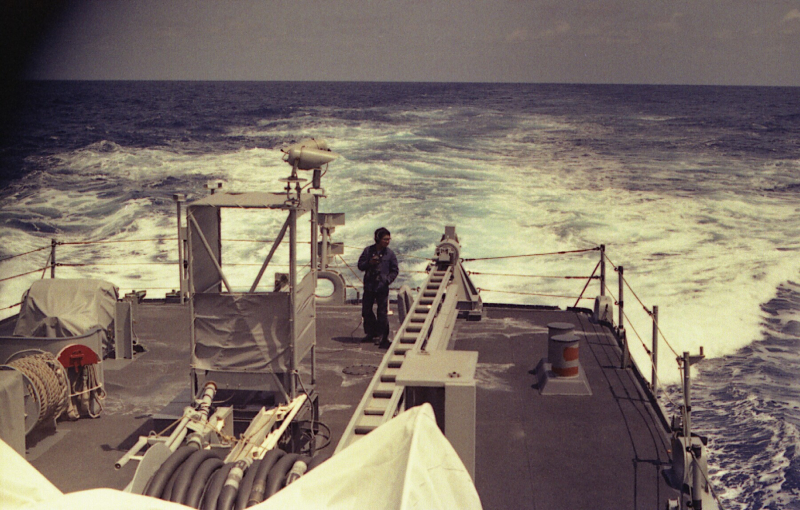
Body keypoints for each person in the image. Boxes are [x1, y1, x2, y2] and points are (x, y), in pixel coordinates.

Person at [357, 227, 399, 348]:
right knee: (366, 310)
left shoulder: (390, 254)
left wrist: (387, 280)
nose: (387, 241)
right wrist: (369, 263)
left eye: (389, 239)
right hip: (369, 286)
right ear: (378, 239)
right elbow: (360, 265)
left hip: (382, 287)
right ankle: (371, 332)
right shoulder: (368, 251)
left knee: (382, 312)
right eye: (385, 239)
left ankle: (382, 336)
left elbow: (395, 270)